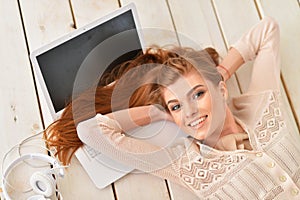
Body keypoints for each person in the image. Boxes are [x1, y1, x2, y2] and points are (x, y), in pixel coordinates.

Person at [45, 17, 300, 199]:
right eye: (177, 105)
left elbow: (267, 30)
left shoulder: (263, 108)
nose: (189, 112)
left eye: (197, 94)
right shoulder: (188, 165)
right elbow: (90, 131)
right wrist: (156, 112)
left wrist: (219, 74)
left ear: (221, 90)